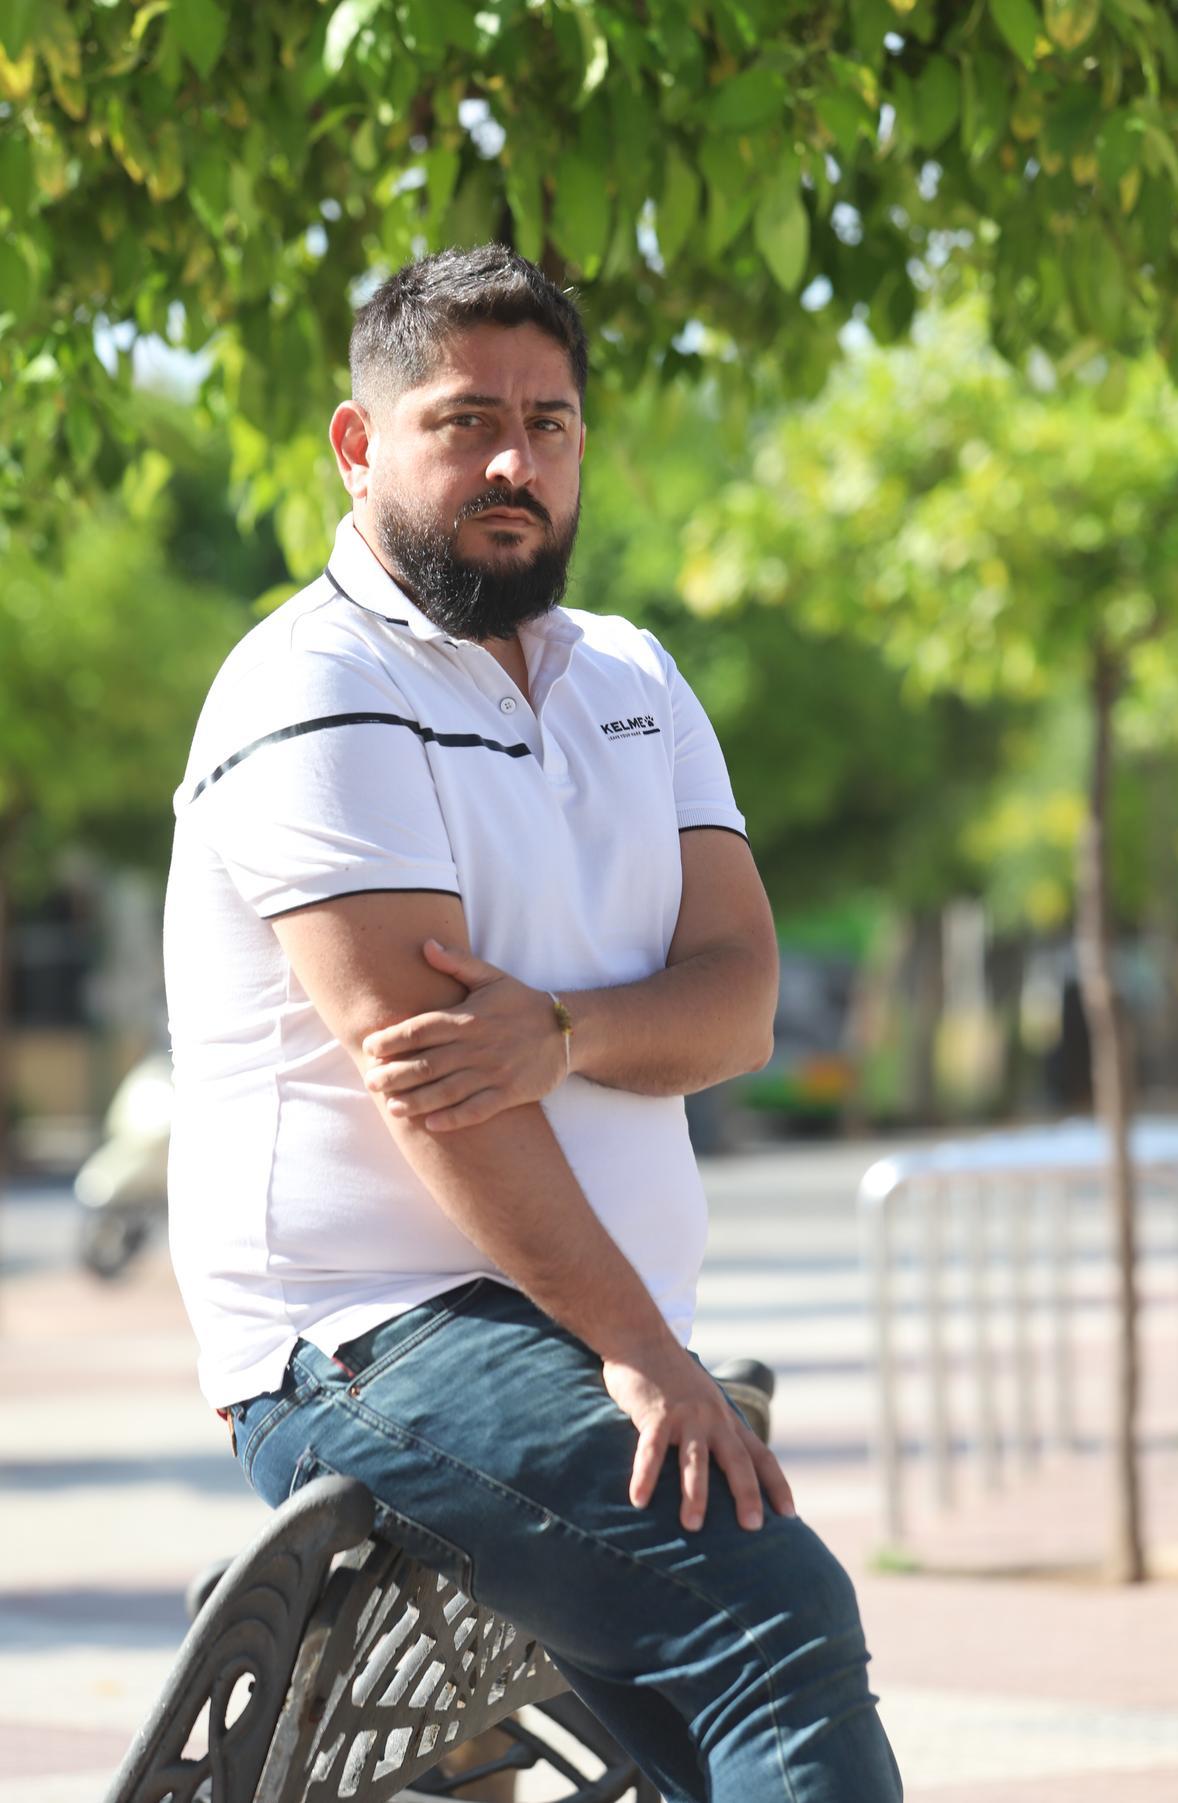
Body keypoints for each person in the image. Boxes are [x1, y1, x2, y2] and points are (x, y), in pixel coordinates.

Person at [163, 244, 903, 1802]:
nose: (516, 462)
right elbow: (443, 1087)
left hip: (557, 1341)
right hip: (373, 1336)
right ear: (360, 445)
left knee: (727, 1718)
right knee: (772, 1620)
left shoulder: (629, 672)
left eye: (550, 423)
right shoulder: (311, 688)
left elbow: (739, 1001)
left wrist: (563, 1032)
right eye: (466, 421)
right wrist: (643, 1349)